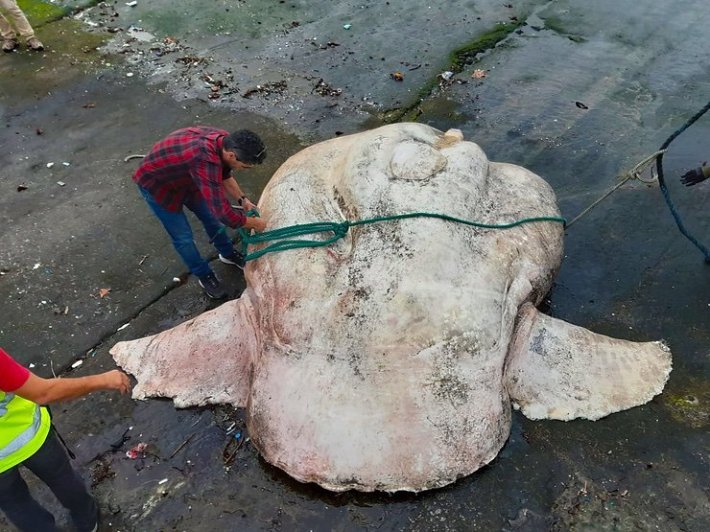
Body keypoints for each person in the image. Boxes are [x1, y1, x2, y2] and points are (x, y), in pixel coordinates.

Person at [0, 347, 131, 531]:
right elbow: (43, 393)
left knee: (17, 505)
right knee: (62, 478)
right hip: (30, 436)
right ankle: (88, 521)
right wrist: (103, 380)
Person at [133, 126, 268, 299]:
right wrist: (256, 224)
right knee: (183, 238)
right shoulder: (204, 160)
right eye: (245, 167)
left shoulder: (225, 142)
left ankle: (227, 254)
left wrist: (243, 200)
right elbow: (225, 214)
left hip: (189, 178)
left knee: (211, 220)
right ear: (232, 155)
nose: (244, 170)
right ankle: (204, 276)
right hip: (158, 186)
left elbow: (225, 175)